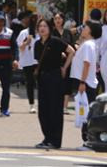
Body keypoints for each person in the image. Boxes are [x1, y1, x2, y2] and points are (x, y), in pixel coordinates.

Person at [34, 18, 75, 149]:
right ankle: (47, 138)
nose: (42, 28)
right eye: (40, 26)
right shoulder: (37, 44)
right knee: (43, 111)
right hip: (42, 78)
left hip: (55, 77)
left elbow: (71, 51)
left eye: (45, 26)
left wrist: (64, 67)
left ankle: (55, 141)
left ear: (49, 28)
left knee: (55, 110)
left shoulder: (56, 41)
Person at [71, 20, 102, 143]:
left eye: (86, 27)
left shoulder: (89, 45)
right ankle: (87, 139)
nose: (83, 28)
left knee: (86, 112)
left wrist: (82, 82)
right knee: (85, 111)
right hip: (86, 82)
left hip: (86, 83)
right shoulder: (88, 43)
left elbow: (87, 64)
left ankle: (88, 140)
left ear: (91, 31)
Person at [53, 11, 76, 113]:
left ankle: (65, 107)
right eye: (55, 19)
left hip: (68, 61)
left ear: (63, 20)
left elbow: (72, 45)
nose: (57, 20)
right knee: (56, 83)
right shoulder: (52, 32)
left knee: (67, 83)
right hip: (55, 61)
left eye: (59, 18)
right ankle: (56, 105)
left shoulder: (67, 32)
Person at [16, 12, 38, 113]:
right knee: (30, 82)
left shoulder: (41, 32)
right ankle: (31, 104)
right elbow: (20, 47)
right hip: (27, 61)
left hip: (38, 61)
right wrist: (26, 43)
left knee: (41, 82)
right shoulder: (24, 33)